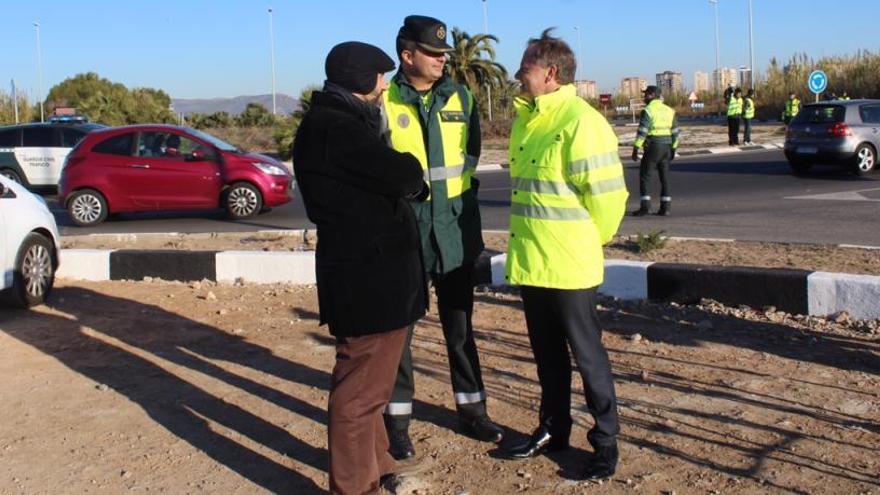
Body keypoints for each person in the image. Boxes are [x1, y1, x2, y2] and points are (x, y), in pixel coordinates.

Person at [292, 41, 428, 495]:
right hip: (368, 280)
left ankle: (379, 463)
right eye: (380, 76)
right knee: (360, 392)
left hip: (370, 275)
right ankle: (354, 486)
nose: (386, 84)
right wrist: (410, 173)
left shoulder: (336, 121)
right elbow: (404, 173)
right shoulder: (338, 127)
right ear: (360, 81)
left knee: (370, 384)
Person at [503, 29, 628, 481]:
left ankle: (605, 444)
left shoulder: (581, 121)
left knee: (588, 357)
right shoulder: (528, 119)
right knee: (547, 358)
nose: (519, 75)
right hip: (533, 262)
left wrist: (585, 241)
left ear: (550, 73)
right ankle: (553, 431)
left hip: (571, 265)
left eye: (525, 68)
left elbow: (609, 200)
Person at [381, 14, 504, 460]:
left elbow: (468, 158)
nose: (440, 61)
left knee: (460, 329)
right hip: (406, 237)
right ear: (406, 54)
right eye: (432, 54)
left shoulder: (461, 96)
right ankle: (396, 422)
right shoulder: (384, 100)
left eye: (444, 54)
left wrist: (462, 221)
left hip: (453, 234)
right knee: (400, 336)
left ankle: (473, 411)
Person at [630, 85, 679, 217]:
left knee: (645, 176)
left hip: (654, 146)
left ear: (652, 95)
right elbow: (675, 132)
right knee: (665, 178)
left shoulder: (648, 110)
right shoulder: (670, 110)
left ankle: (645, 207)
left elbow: (642, 131)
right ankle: (666, 208)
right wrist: (674, 148)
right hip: (667, 146)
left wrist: (636, 148)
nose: (644, 97)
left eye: (646, 95)